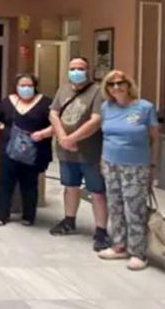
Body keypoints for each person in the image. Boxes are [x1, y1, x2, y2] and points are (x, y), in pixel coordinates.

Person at [97, 70, 160, 271]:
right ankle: (119, 245)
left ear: (128, 84)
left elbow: (154, 139)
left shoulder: (144, 107)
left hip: (136, 165)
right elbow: (104, 135)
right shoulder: (107, 107)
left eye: (120, 83)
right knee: (115, 205)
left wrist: (152, 166)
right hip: (110, 162)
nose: (116, 87)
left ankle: (138, 252)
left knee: (134, 208)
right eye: (111, 84)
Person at [49, 57, 110, 251]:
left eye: (80, 68)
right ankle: (69, 221)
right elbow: (53, 113)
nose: (76, 72)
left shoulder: (97, 92)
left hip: (89, 151)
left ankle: (101, 231)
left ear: (88, 70)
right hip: (66, 151)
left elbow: (96, 120)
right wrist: (62, 137)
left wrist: (73, 138)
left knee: (97, 191)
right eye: (73, 68)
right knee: (70, 186)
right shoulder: (63, 89)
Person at [0, 73, 53, 225]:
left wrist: (43, 134)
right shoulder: (7, 102)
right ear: (16, 87)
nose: (26, 89)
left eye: (29, 86)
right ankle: (2, 214)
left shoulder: (45, 103)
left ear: (35, 86)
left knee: (30, 184)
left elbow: (57, 125)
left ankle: (28, 215)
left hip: (33, 152)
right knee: (5, 182)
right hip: (8, 150)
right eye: (22, 86)